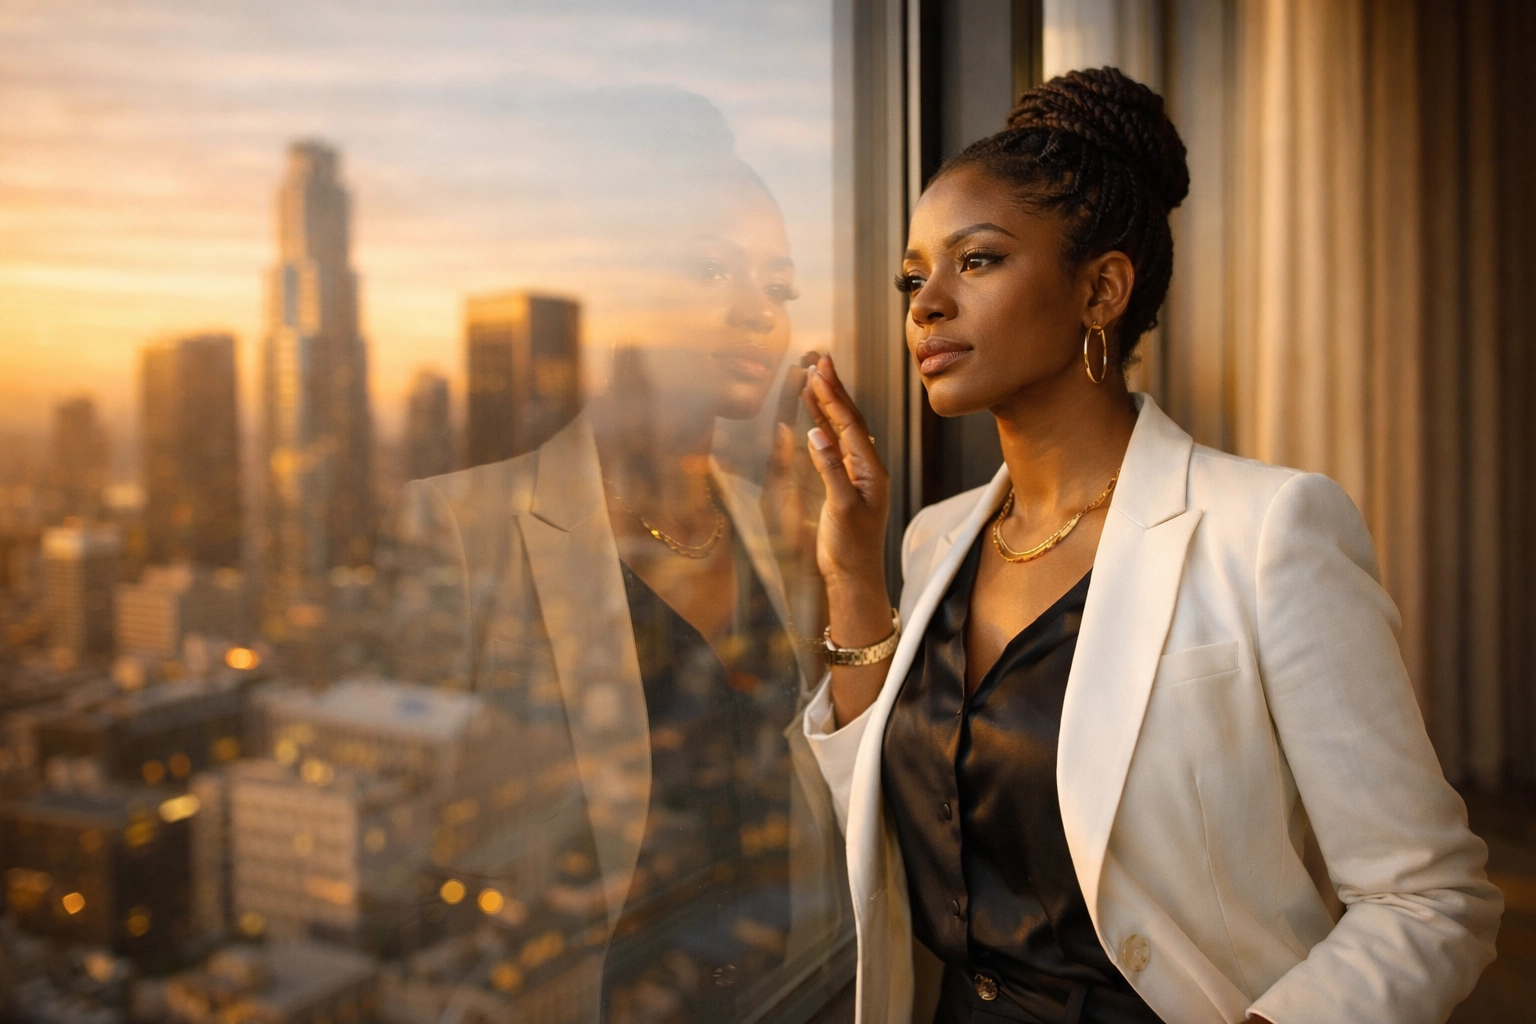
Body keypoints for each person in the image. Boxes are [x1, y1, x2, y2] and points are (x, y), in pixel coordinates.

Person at [796, 67, 1502, 1024]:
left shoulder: (1269, 531)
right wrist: (849, 571)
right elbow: (885, 838)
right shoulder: (932, 544)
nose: (925, 305)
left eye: (979, 261)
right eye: (913, 276)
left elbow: (1431, 902)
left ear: (1103, 289)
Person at [379, 87, 847, 1022]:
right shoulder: (464, 526)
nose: (759, 314)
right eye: (712, 271)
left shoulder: (783, 528)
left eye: (780, 287)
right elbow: (438, 867)